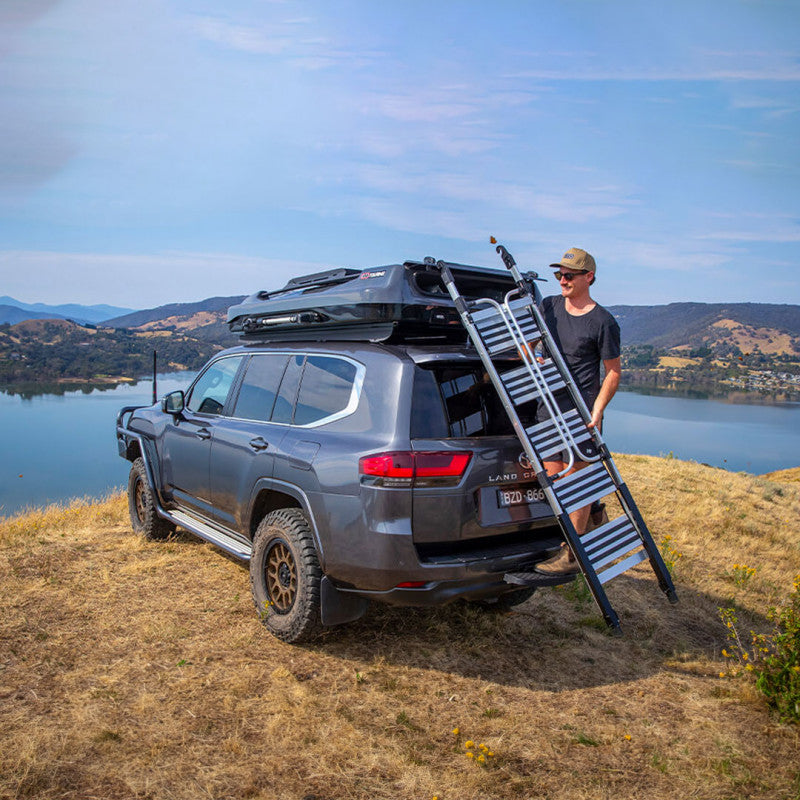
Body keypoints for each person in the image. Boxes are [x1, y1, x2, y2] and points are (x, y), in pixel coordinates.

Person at [534, 247, 621, 575]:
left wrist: (597, 411)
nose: (562, 280)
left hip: (582, 411)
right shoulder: (549, 307)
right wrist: (530, 356)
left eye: (569, 275)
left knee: (578, 480)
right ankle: (595, 511)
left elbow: (613, 372)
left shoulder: (604, 321)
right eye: (559, 274)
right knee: (556, 480)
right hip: (548, 407)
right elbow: (528, 342)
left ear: (589, 277)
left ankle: (572, 552)